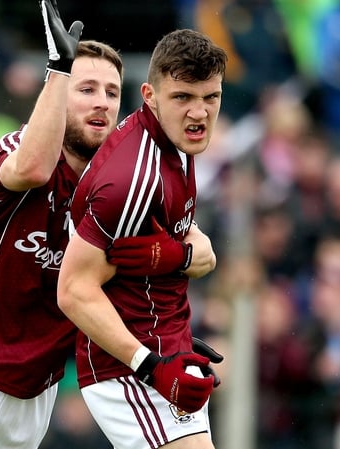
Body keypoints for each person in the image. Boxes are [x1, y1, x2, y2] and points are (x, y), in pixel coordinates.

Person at [0, 2, 216, 449]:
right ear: (57, 91)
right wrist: (59, 67)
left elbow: (202, 248)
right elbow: (33, 169)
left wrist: (178, 255)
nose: (101, 102)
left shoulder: (124, 182)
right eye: (87, 88)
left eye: (113, 93)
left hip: (32, 396)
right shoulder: (20, 146)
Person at [57, 28, 227, 449]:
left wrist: (187, 256)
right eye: (183, 97)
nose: (200, 113)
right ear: (149, 94)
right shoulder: (133, 178)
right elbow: (74, 290)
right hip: (130, 370)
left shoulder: (177, 143)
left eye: (211, 98)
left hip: (166, 347)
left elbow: (171, 249)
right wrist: (151, 364)